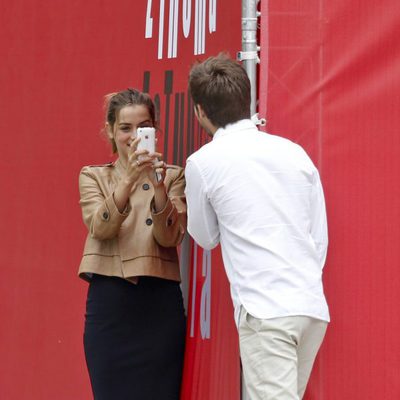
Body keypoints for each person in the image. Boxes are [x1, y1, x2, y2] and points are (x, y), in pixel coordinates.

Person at [185, 54, 330, 400]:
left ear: (200, 111)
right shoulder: (294, 153)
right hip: (309, 305)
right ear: (246, 99)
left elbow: (204, 237)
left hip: (266, 310)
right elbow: (318, 238)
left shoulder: (202, 162)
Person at [78, 88, 186, 400]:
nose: (134, 136)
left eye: (144, 127)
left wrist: (158, 183)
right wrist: (128, 179)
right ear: (110, 131)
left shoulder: (173, 176)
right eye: (126, 128)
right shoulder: (94, 176)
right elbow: (101, 227)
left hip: (159, 304)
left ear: (155, 131)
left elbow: (170, 236)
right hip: (111, 306)